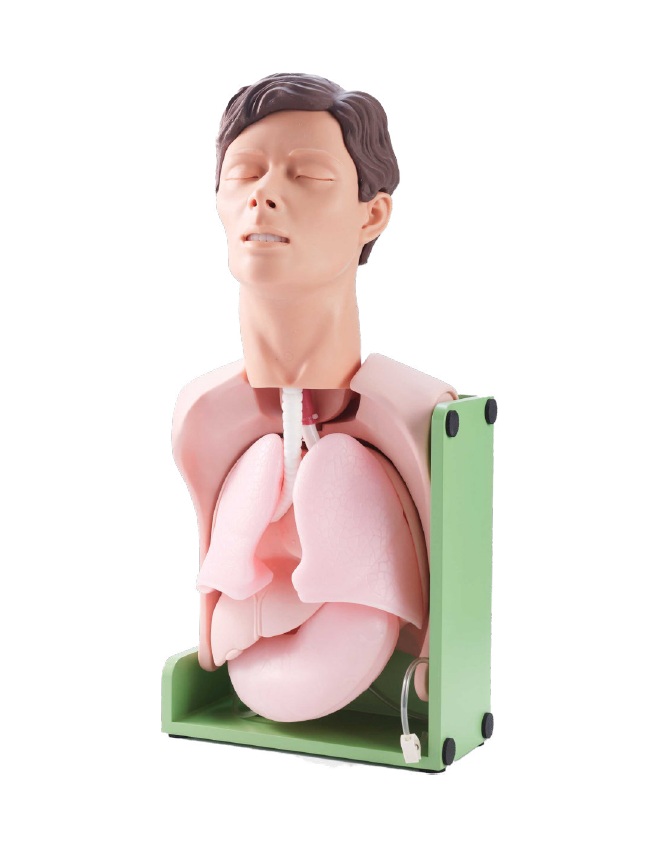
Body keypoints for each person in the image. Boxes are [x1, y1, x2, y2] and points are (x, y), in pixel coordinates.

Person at [172, 73, 457, 721]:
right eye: (244, 173)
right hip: (253, 664)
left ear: (371, 214)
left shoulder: (416, 412)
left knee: (335, 467)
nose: (264, 195)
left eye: (308, 176)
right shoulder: (204, 416)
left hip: (389, 682)